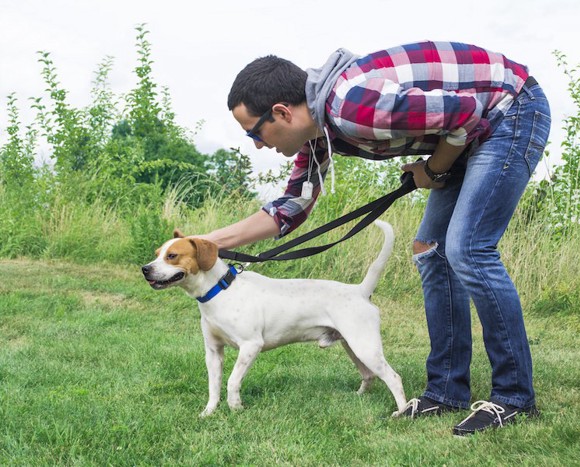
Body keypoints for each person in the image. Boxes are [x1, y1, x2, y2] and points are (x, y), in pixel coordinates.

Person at [198, 41, 551, 435]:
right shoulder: (318, 131)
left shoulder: (353, 107)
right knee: (431, 251)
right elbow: (291, 206)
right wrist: (205, 243)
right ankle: (446, 391)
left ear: (281, 112)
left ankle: (514, 397)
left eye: (255, 134)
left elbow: (466, 114)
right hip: (468, 134)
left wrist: (434, 169)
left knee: (467, 249)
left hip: (511, 108)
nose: (260, 145)